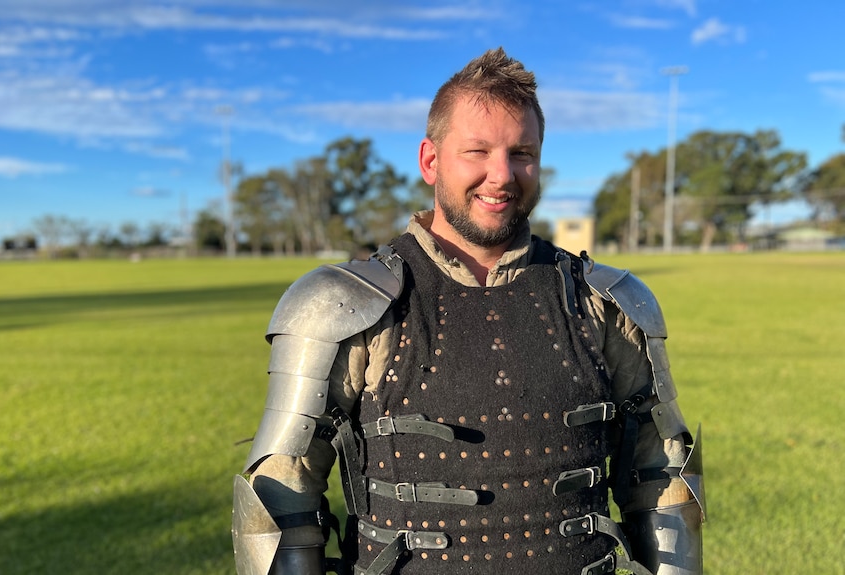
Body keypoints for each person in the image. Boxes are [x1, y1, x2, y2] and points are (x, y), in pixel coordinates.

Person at [232, 47, 704, 575]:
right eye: (477, 151)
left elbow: (662, 472)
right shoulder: (344, 305)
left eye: (521, 152)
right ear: (431, 160)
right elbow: (282, 494)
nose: (501, 175)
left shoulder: (604, 301)